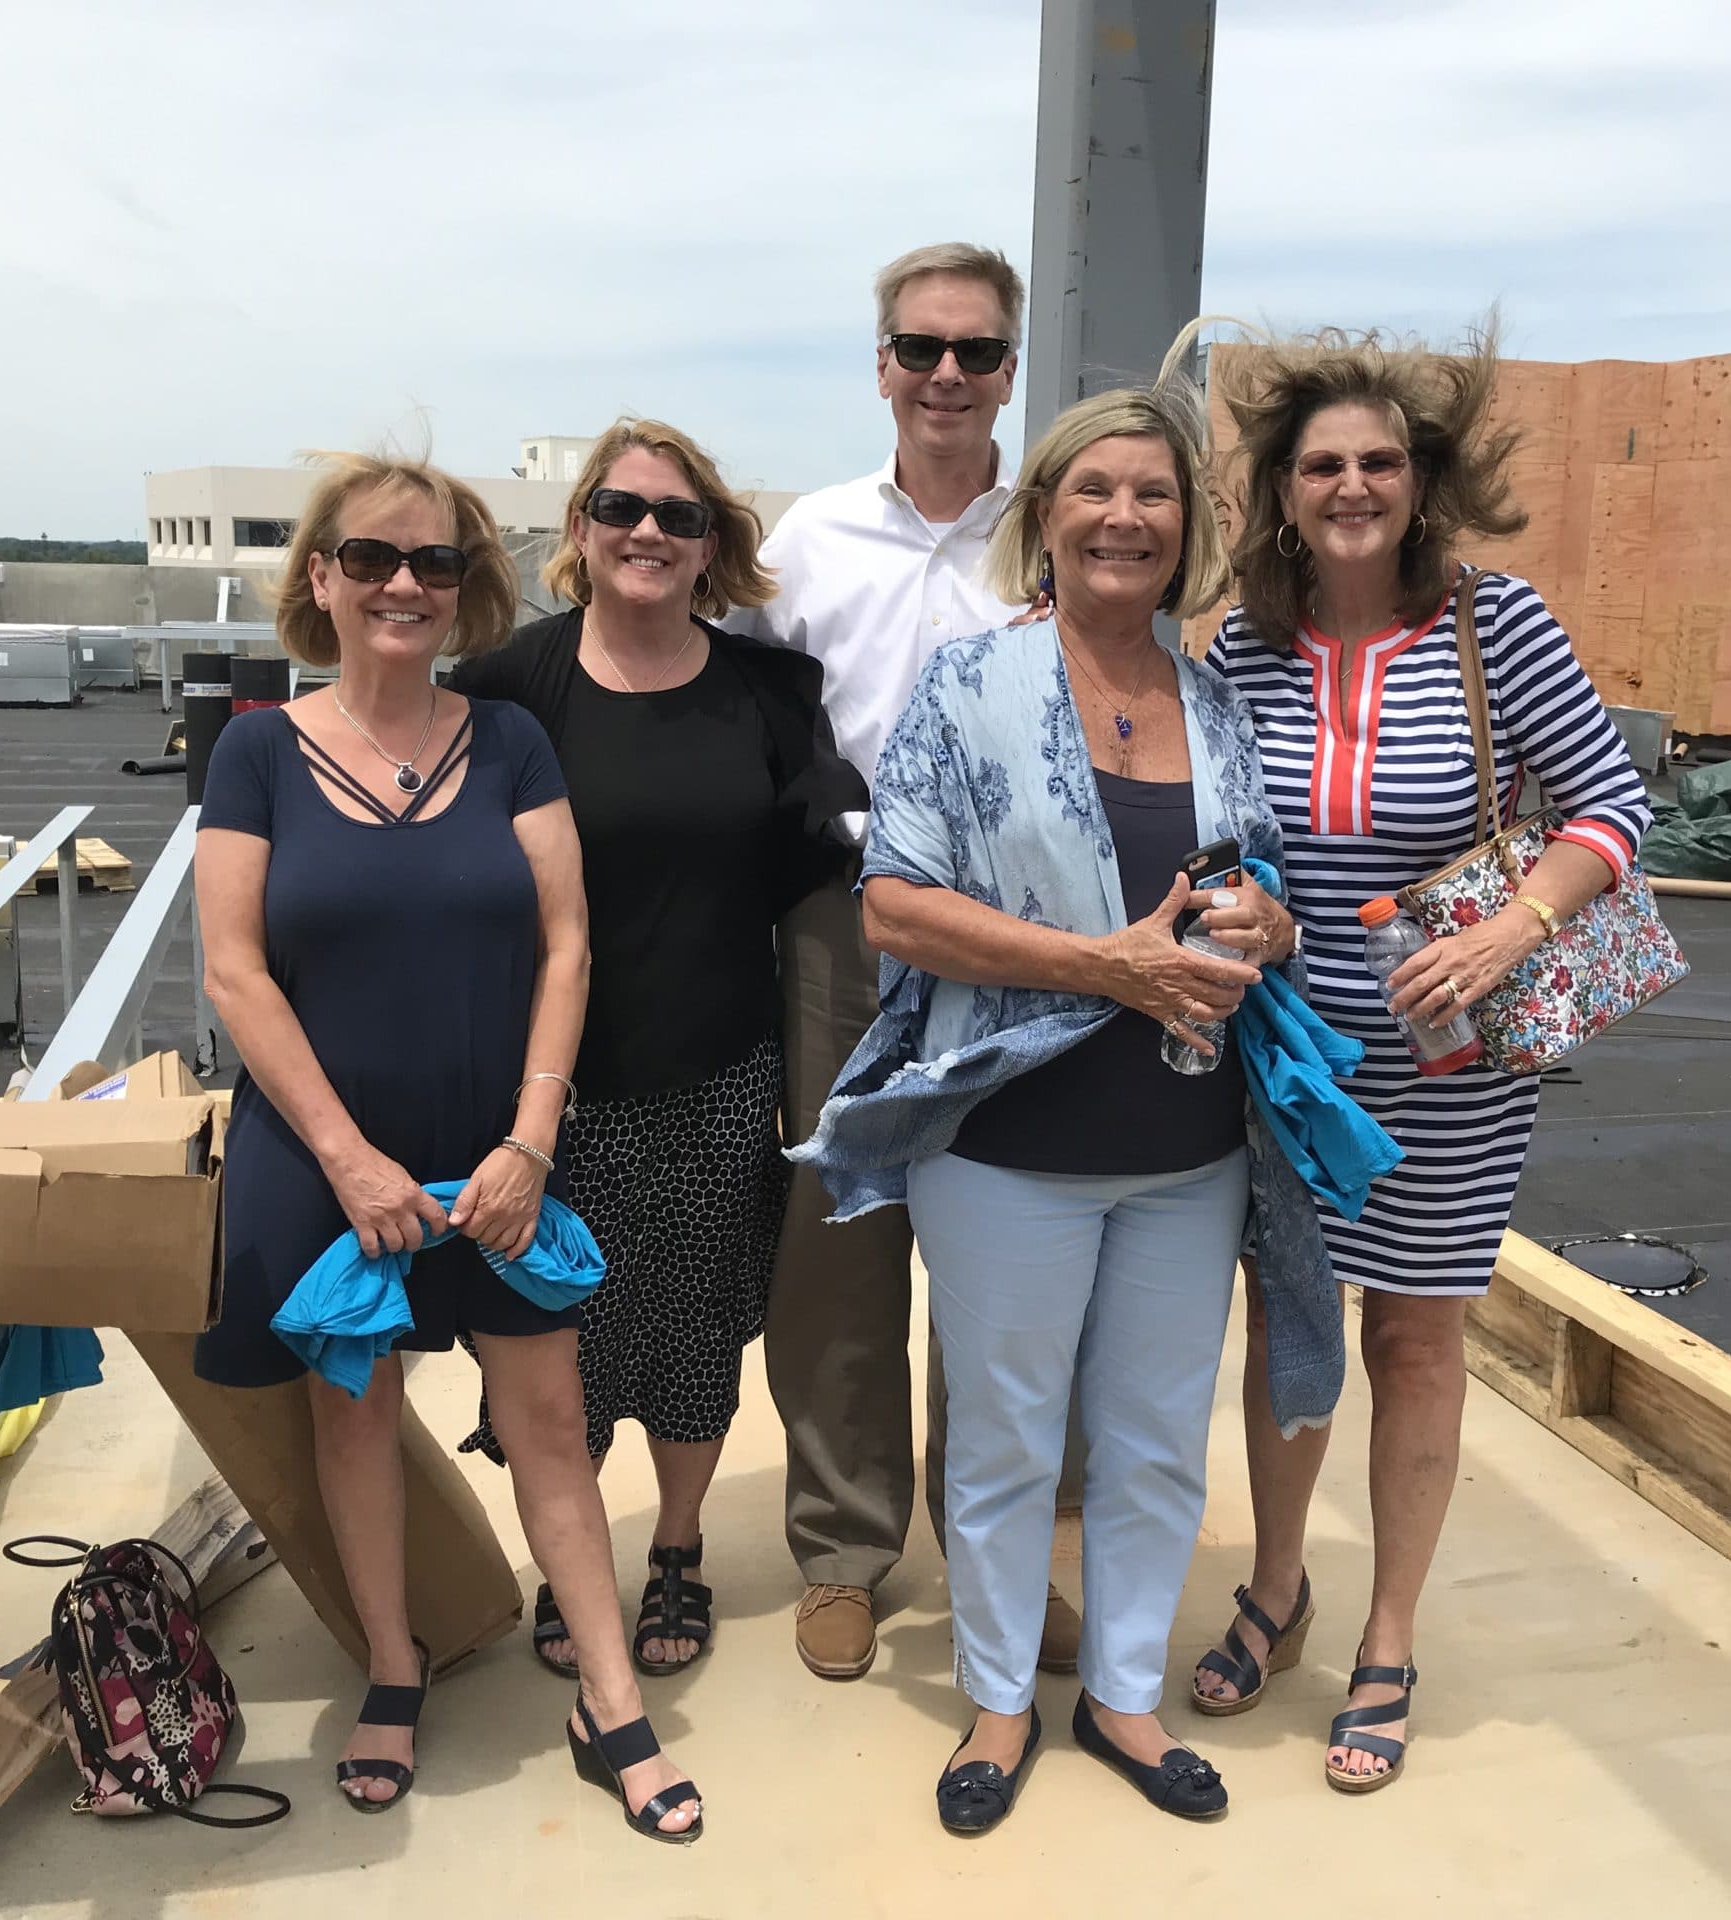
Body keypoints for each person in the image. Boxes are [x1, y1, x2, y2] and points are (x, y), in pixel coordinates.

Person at [792, 381, 1315, 1833]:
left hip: (1186, 1145)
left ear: (1186, 529)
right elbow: (893, 906)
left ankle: (1124, 1695)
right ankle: (1001, 1699)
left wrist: (1264, 925)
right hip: (1009, 1143)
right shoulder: (970, 687)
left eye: (1153, 495)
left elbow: (1262, 883)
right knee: (1010, 1433)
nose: (1124, 517)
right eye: (1095, 491)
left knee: (1153, 1436)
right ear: (1049, 518)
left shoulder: (1216, 701)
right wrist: (1106, 964)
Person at [194, 451, 701, 1840]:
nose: (405, 585)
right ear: (323, 579)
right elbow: (236, 974)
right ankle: (396, 1663)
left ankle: (610, 1697)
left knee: (547, 1415)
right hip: (325, 1149)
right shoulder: (257, 749)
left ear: (467, 587)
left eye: (435, 564)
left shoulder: (510, 744)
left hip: (499, 1149)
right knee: (353, 1413)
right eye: (373, 560)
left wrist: (533, 1140)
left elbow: (566, 942)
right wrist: (350, 1161)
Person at [1190, 327, 1653, 1793]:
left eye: (1379, 460)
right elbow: (1212, 828)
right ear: (1280, 488)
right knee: (1290, 1324)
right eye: (1322, 464)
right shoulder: (1244, 648)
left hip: (1449, 1060)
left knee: (1415, 1337)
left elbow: (1615, 812)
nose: (1351, 486)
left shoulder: (1492, 625)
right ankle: (1279, 1586)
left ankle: (1388, 1631)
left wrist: (1515, 928)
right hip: (1292, 1058)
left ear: (1422, 478)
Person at [449, 419, 862, 1677]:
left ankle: (676, 1550)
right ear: (578, 530)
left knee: (688, 1344)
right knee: (547, 1352)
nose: (647, 533)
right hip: (544, 1089)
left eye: (678, 517)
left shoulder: (768, 693)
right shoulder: (508, 688)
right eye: (622, 509)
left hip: (713, 1073)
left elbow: (830, 866)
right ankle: (573, 1564)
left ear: (710, 547)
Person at [729, 242, 1081, 1682]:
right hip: (847, 923)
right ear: (881, 364)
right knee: (841, 1235)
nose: (948, 376)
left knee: (1013, 1241)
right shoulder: (804, 546)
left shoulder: (1058, 535)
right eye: (921, 350)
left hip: (1022, 928)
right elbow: (742, 728)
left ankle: (999, 1551)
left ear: (1011, 372)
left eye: (977, 353)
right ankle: (843, 1547)